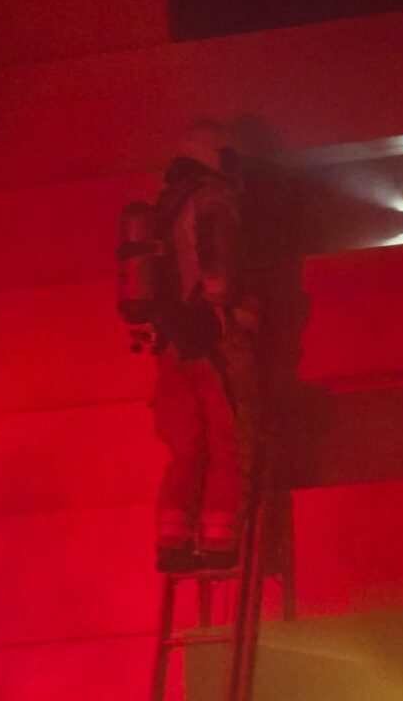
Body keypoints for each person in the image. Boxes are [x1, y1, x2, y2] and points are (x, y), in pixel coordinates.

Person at [142, 121, 261, 573]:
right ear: (215, 156)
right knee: (229, 439)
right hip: (211, 337)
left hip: (169, 344)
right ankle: (219, 539)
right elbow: (219, 276)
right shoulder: (212, 200)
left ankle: (173, 540)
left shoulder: (162, 207)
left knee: (185, 447)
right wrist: (239, 310)